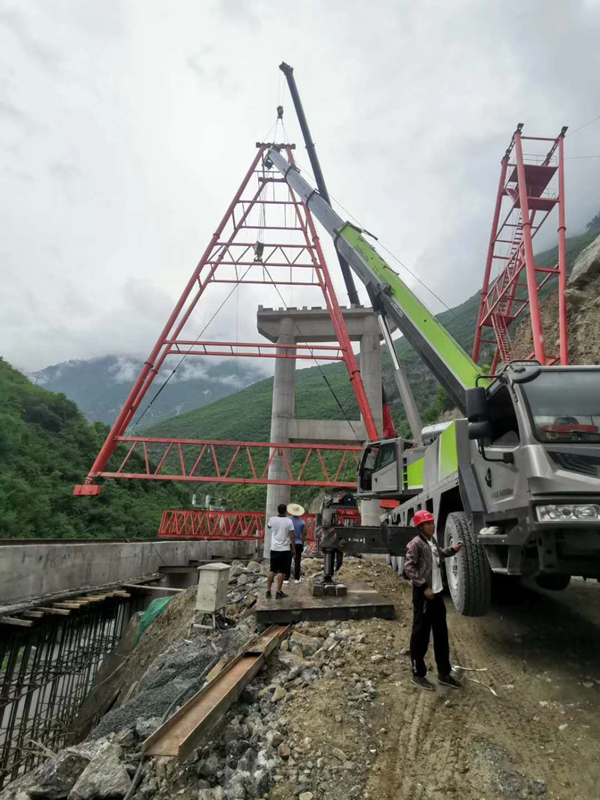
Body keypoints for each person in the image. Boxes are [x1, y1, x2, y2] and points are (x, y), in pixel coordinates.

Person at [404, 510, 463, 691]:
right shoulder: (415, 544)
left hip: (436, 595)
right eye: (428, 523)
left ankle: (444, 673)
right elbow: (408, 567)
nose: (432, 525)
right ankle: (418, 674)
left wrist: (453, 550)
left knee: (441, 635)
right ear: (420, 526)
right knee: (420, 635)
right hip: (423, 596)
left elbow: (438, 554)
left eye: (432, 522)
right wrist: (423, 586)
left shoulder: (432, 541)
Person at [266, 503, 296, 599]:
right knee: (281, 571)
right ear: (286, 511)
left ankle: (268, 590)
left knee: (272, 569)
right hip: (284, 549)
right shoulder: (289, 521)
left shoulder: (272, 519)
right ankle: (278, 592)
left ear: (278, 510)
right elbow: (292, 536)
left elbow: (269, 526)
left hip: (274, 548)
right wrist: (294, 549)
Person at [284, 503, 306, 584]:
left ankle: (286, 578)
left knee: (288, 561)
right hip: (299, 544)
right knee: (297, 561)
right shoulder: (302, 522)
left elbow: (286, 532)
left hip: (289, 543)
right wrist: (302, 544)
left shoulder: (287, 520)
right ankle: (297, 578)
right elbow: (303, 535)